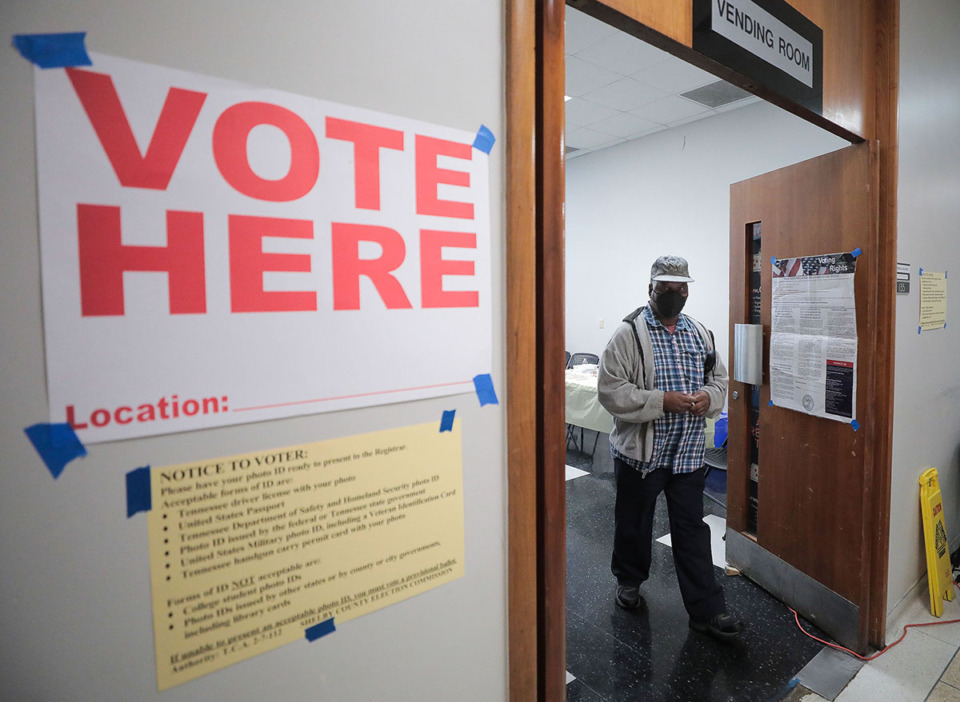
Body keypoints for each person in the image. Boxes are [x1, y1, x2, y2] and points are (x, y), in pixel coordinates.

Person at [597, 255, 743, 640]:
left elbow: (719, 380)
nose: (675, 295)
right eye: (666, 289)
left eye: (682, 289)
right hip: (642, 457)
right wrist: (663, 401)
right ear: (651, 289)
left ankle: (706, 611)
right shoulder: (628, 335)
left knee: (691, 532)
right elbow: (611, 392)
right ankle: (629, 583)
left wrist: (706, 398)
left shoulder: (700, 333)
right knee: (634, 523)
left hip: (688, 456)